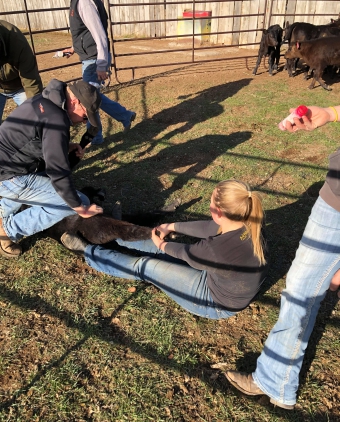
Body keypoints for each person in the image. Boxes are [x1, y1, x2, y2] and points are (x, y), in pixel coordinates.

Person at [224, 105, 340, 410]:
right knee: (301, 290)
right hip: (335, 196)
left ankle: (276, 381)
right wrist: (331, 113)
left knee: (301, 291)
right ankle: (277, 379)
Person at [60, 180, 268, 319]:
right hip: (222, 277)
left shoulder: (214, 250)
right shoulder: (249, 223)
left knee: (147, 266)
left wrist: (161, 244)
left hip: (214, 301)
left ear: (219, 211)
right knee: (158, 248)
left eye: (211, 203)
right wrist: (172, 226)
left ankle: (89, 252)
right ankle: (120, 237)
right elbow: (208, 227)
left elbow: (185, 253)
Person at [0, 78, 104, 258]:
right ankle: (7, 230)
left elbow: (34, 139)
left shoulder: (43, 100)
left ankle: (3, 209)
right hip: (9, 177)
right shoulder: (56, 118)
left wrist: (64, 145)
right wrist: (80, 208)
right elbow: (58, 171)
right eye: (85, 116)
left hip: (8, 165)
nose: (81, 121)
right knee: (79, 201)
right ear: (75, 102)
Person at [63, 0, 136, 145]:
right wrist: (74, 48)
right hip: (90, 58)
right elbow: (85, 30)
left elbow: (99, 33)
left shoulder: (84, 3)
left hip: (94, 59)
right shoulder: (77, 2)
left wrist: (101, 65)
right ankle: (125, 116)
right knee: (93, 97)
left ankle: (96, 139)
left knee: (88, 100)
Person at [0, 19, 43, 123]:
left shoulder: (16, 42)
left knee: (32, 118)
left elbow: (31, 81)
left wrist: (36, 107)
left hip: (20, 86)